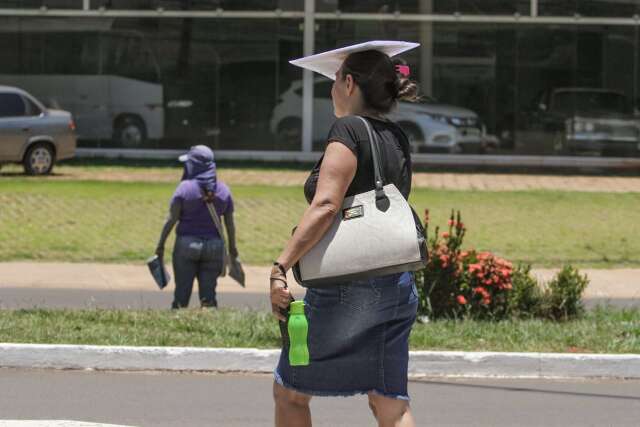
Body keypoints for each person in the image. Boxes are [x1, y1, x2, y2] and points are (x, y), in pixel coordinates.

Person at [270, 41, 421, 427]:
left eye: (335, 79)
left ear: (350, 83)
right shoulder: (396, 135)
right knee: (389, 402)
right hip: (396, 282)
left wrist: (281, 265)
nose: (332, 88)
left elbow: (325, 205)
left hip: (347, 286)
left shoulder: (349, 130)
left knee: (290, 393)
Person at [156, 145, 238, 309]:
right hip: (214, 247)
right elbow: (229, 224)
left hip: (186, 245)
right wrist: (232, 249)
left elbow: (172, 219)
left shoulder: (184, 188)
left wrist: (160, 245)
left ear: (193, 165)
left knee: (181, 296)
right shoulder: (224, 190)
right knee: (208, 298)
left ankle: (177, 325)